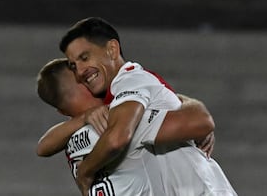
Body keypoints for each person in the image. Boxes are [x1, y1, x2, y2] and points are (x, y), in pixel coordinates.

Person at [59, 17, 237, 196]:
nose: (80, 72)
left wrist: (85, 172)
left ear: (112, 49)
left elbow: (201, 122)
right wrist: (190, 105)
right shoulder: (120, 102)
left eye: (85, 57)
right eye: (74, 66)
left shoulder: (129, 81)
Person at [36, 58, 216, 196]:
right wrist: (184, 103)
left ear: (61, 111)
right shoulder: (112, 125)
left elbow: (42, 147)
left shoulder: (71, 138)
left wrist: (82, 118)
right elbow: (198, 121)